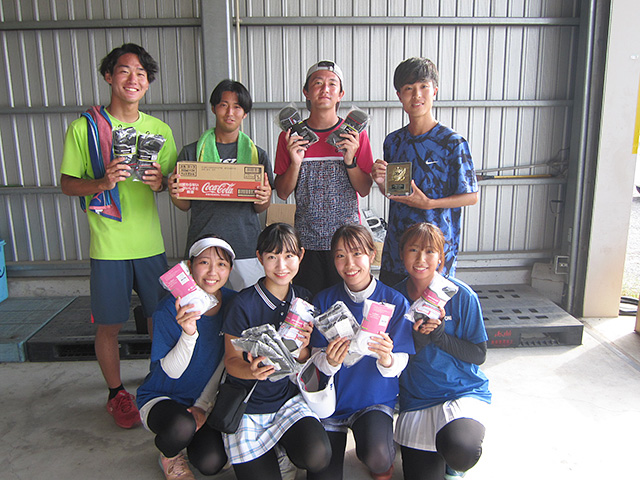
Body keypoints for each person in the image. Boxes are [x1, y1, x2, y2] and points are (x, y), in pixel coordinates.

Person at [59, 43, 177, 428]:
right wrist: (102, 181)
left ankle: (158, 381)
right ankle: (116, 394)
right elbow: (67, 184)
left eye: (141, 73)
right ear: (109, 76)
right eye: (124, 70)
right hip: (108, 244)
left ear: (148, 83)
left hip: (150, 243)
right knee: (109, 324)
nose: (133, 79)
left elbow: (172, 183)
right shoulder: (85, 129)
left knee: (160, 317)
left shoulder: (160, 131)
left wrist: (162, 183)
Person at [221, 222, 332, 480]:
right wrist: (251, 371)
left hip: (288, 401)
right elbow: (231, 360)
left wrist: (303, 350)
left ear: (301, 256)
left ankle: (281, 446)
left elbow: (305, 361)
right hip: (249, 406)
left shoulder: (304, 299)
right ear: (259, 258)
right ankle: (274, 453)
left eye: (289, 255)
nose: (282, 266)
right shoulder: (243, 303)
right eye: (272, 257)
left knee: (318, 455)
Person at [309, 224, 415, 480]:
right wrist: (329, 361)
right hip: (332, 404)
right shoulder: (324, 301)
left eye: (357, 253)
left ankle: (382, 457)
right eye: (340, 255)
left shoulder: (394, 301)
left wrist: (387, 358)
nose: (349, 264)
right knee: (321, 472)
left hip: (373, 401)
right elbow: (314, 357)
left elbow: (401, 360)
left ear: (372, 254)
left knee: (378, 456)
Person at [393, 223, 491, 480]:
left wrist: (440, 338)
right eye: (413, 250)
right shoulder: (394, 298)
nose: (421, 259)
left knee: (461, 450)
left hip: (461, 391)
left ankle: (453, 461)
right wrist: (418, 340)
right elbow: (393, 360)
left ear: (440, 257)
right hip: (417, 398)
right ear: (402, 254)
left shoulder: (462, 296)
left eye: (429, 251)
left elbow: (479, 354)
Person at [372, 57, 478, 286]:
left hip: (435, 254)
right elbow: (395, 193)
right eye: (409, 89)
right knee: (394, 306)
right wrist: (381, 182)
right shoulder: (394, 141)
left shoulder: (453, 142)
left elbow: (471, 196)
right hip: (397, 252)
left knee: (431, 310)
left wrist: (429, 204)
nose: (417, 95)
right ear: (399, 95)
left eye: (423, 87)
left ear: (435, 91)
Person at [136, 236, 236, 480]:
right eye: (204, 262)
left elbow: (224, 362)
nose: (212, 272)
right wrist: (189, 334)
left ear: (230, 270)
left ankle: (187, 437)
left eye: (221, 264)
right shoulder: (168, 309)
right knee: (181, 426)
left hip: (204, 401)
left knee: (211, 463)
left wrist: (202, 405)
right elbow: (172, 372)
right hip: (162, 397)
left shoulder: (234, 304)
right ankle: (169, 454)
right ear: (189, 267)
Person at [274, 61, 374, 296]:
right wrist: (295, 162)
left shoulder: (355, 135)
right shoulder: (290, 137)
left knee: (348, 305)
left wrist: (350, 160)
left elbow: (364, 188)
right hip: (306, 243)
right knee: (309, 305)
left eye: (332, 84)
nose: (325, 89)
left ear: (341, 94)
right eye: (318, 83)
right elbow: (282, 192)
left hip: (347, 244)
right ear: (306, 92)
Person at [169, 79, 273, 291]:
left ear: (245, 113)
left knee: (246, 304)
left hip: (245, 245)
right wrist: (174, 193)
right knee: (204, 305)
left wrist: (265, 198)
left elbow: (260, 208)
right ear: (214, 108)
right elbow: (185, 205)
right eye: (224, 105)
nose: (230, 112)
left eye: (237, 107)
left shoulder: (257, 155)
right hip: (203, 244)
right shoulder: (191, 153)